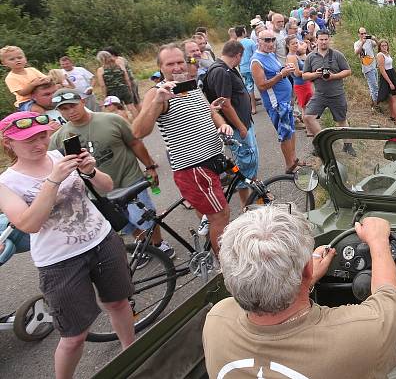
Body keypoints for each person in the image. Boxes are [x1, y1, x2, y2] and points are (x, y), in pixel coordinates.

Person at [203, 208, 396, 379]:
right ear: (308, 267)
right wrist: (378, 243)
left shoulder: (217, 320)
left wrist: (304, 280)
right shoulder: (363, 333)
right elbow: (389, 302)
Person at [0, 111, 135, 379]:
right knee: (74, 336)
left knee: (119, 303)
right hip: (59, 261)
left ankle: (132, 353)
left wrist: (90, 171)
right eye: (29, 140)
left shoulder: (58, 157)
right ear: (8, 143)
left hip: (102, 240)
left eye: (42, 136)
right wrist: (52, 181)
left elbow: (107, 186)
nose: (39, 144)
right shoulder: (7, 183)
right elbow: (29, 225)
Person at [132, 43, 233, 254]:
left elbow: (209, 111)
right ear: (160, 67)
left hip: (213, 159)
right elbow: (138, 132)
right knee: (221, 216)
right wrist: (157, 101)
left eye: (180, 62)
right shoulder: (157, 93)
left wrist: (221, 123)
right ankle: (226, 267)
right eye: (170, 64)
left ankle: (207, 244)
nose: (177, 67)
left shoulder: (190, 84)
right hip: (193, 168)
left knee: (215, 210)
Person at [49, 88, 173, 259]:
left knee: (145, 216)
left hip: (129, 179)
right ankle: (146, 247)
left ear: (83, 102)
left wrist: (150, 166)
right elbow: (54, 166)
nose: (70, 111)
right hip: (98, 192)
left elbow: (134, 143)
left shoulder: (111, 119)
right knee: (124, 224)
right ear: (58, 111)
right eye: (64, 108)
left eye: (73, 105)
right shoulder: (58, 138)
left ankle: (159, 244)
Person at [203, 40, 260, 205]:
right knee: (244, 165)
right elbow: (225, 103)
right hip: (237, 128)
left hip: (243, 123)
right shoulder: (221, 72)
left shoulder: (225, 68)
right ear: (238, 55)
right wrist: (241, 127)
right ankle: (247, 206)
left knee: (251, 162)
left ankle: (256, 198)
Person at [252, 30, 305, 173]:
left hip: (285, 100)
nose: (270, 43)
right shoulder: (256, 61)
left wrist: (285, 68)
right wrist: (281, 75)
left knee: (291, 130)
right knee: (285, 134)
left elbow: (278, 69)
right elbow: (261, 85)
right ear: (259, 41)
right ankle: (289, 166)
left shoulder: (270, 54)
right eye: (267, 40)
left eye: (272, 40)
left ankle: (294, 160)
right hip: (276, 104)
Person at [302, 30, 357, 156]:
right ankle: (323, 143)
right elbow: (304, 75)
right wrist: (316, 74)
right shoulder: (311, 56)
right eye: (321, 39)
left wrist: (333, 76)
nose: (323, 42)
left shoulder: (337, 55)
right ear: (316, 40)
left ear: (329, 39)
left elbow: (348, 71)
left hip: (337, 93)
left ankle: (348, 146)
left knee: (341, 120)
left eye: (326, 39)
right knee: (308, 117)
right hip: (320, 94)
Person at [1, 45, 49, 110]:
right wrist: (33, 84)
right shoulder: (10, 78)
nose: (17, 60)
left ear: (25, 59)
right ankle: (47, 120)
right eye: (12, 59)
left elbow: (46, 78)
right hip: (26, 101)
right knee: (38, 110)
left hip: (42, 96)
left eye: (19, 57)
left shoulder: (32, 70)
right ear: (4, 63)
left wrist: (47, 80)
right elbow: (22, 93)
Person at [96, 50, 138, 118]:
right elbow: (126, 78)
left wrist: (104, 96)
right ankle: (138, 121)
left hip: (112, 92)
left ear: (101, 59)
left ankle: (125, 123)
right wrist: (129, 88)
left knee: (120, 109)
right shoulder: (119, 65)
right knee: (131, 107)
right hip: (124, 88)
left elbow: (103, 85)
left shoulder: (101, 70)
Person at [376, 39, 396, 126]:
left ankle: (393, 116)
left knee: (392, 98)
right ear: (379, 47)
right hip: (387, 76)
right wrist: (390, 82)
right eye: (382, 46)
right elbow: (382, 70)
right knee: (394, 99)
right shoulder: (380, 55)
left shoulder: (387, 53)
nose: (384, 47)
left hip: (392, 74)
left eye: (386, 45)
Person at [289, 37, 313, 133]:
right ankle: (309, 130)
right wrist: (310, 72)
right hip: (301, 84)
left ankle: (309, 128)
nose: (296, 45)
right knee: (305, 107)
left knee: (306, 106)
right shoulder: (292, 57)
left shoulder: (295, 55)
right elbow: (296, 73)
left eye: (296, 43)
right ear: (288, 46)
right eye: (293, 43)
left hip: (304, 83)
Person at [236, 26, 259, 115]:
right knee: (260, 84)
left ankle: (253, 107)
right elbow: (256, 54)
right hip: (253, 67)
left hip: (243, 68)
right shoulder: (250, 41)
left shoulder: (235, 44)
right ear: (243, 32)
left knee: (249, 87)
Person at [355, 28, 379, 106]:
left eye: (365, 33)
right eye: (362, 34)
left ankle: (373, 103)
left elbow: (378, 45)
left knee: (374, 86)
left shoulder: (369, 41)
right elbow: (356, 53)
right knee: (374, 87)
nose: (364, 35)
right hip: (367, 68)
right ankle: (376, 105)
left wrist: (374, 38)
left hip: (374, 66)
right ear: (358, 34)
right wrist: (362, 43)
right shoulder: (357, 43)